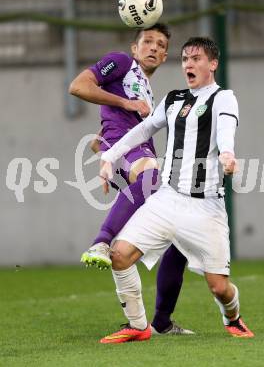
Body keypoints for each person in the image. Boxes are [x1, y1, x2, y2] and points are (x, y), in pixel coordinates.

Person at [98, 36, 254, 344]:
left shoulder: (224, 98)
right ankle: (139, 326)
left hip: (205, 207)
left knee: (219, 287)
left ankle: (232, 317)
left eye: (196, 59)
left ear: (213, 64)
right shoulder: (172, 99)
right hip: (167, 200)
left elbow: (225, 129)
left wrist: (227, 153)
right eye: (185, 60)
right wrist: (109, 156)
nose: (189, 65)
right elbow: (142, 129)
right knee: (119, 255)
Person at [69, 23, 193, 335]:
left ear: (165, 56)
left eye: (161, 44)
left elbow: (119, 109)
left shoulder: (146, 87)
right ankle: (101, 242)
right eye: (147, 41)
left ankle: (160, 322)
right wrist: (124, 107)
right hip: (128, 147)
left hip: (135, 147)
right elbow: (78, 86)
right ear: (134, 48)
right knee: (150, 180)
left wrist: (102, 137)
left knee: (180, 237)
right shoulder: (122, 62)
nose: (154, 47)